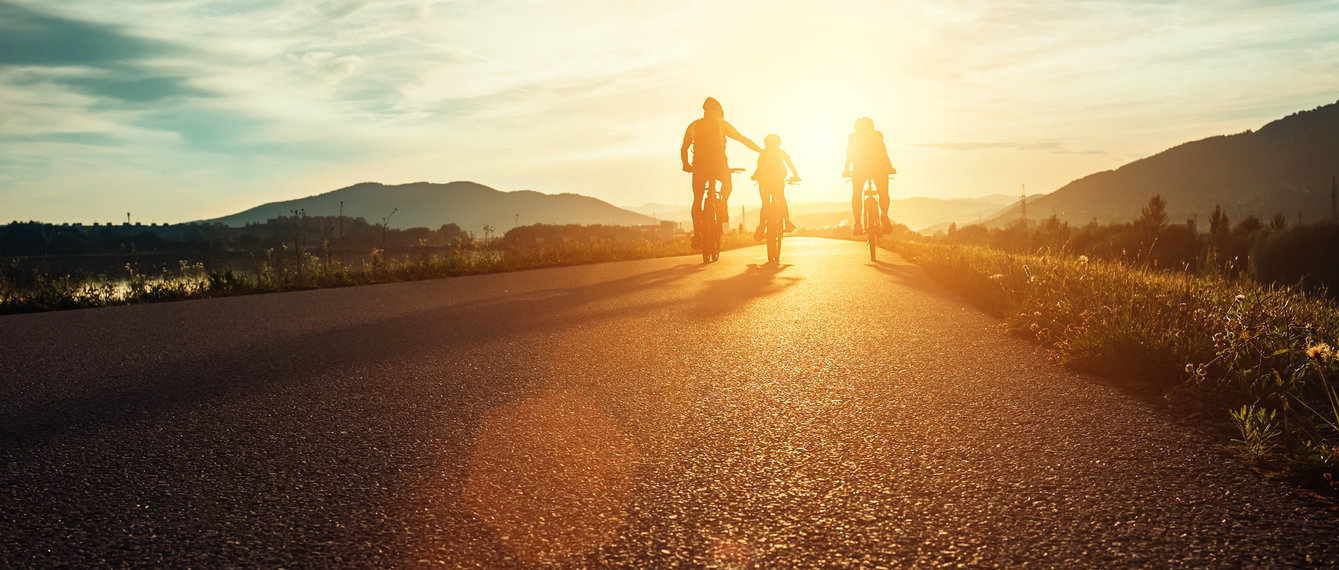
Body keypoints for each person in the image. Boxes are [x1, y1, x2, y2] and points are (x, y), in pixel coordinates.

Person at [681, 97, 761, 246]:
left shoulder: (693, 126)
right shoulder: (721, 124)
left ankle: (697, 235)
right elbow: (742, 139)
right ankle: (722, 205)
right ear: (719, 112)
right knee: (727, 184)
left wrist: (686, 164)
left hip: (699, 167)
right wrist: (761, 151)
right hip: (718, 165)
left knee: (697, 199)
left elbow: (684, 148)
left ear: (704, 111)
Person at [841, 116, 895, 236]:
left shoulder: (853, 140)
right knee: (883, 193)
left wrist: (846, 170)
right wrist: (890, 168)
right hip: (879, 169)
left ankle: (857, 225)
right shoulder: (877, 138)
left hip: (859, 170)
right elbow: (884, 155)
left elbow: (849, 157)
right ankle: (885, 215)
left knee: (856, 194)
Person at [752, 134, 800, 240]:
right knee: (782, 199)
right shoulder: (781, 152)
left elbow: (759, 167)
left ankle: (761, 227)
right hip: (778, 180)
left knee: (765, 204)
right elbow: (790, 164)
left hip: (764, 181)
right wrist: (796, 175)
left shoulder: (763, 153)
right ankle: (787, 222)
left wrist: (755, 176)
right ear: (779, 142)